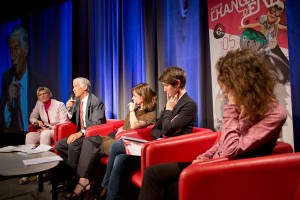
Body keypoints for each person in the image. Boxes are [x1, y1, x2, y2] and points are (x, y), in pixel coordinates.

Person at [138, 49, 288, 200]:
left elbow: (230, 149)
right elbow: (223, 141)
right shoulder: (245, 104)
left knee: (172, 188)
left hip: (230, 169)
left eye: (228, 84)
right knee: (153, 172)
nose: (224, 90)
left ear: (245, 82)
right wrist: (204, 157)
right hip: (213, 161)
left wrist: (231, 105)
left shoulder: (273, 113)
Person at [99, 66, 197, 200]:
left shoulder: (189, 105)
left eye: (166, 86)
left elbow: (167, 128)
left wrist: (168, 111)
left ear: (177, 84)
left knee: (116, 146)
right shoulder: (172, 102)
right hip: (157, 145)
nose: (164, 89)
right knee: (120, 159)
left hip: (170, 150)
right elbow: (156, 129)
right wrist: (164, 133)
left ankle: (104, 187)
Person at [64, 83, 157, 200]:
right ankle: (84, 181)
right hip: (117, 138)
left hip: (125, 143)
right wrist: (121, 129)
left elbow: (134, 125)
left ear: (142, 97)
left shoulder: (150, 115)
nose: (132, 98)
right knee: (89, 141)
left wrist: (131, 111)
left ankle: (98, 187)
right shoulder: (136, 110)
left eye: (135, 96)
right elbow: (126, 125)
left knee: (112, 155)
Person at [0, 25, 49, 147]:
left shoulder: (40, 80)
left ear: (25, 50)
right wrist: (9, 104)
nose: (12, 57)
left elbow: (47, 112)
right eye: (10, 50)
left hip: (34, 135)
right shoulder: (6, 77)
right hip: (12, 137)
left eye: (16, 49)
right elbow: (3, 122)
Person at [55, 77, 106, 188]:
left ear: (85, 88)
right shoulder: (78, 101)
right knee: (59, 145)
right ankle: (75, 171)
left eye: (76, 86)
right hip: (83, 134)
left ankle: (73, 179)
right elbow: (75, 120)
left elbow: (96, 124)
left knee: (73, 144)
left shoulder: (96, 102)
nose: (73, 89)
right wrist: (69, 109)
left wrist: (80, 133)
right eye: (73, 86)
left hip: (93, 136)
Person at [18, 86, 68, 184]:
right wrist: (38, 122)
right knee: (30, 136)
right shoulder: (39, 104)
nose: (42, 96)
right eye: (40, 95)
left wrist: (49, 128)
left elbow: (64, 122)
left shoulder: (59, 104)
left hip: (57, 131)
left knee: (45, 133)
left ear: (49, 94)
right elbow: (32, 117)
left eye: (44, 93)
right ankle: (29, 170)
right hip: (45, 130)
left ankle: (43, 170)